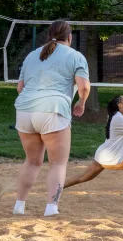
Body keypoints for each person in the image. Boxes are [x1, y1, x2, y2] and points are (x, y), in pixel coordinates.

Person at [12, 19, 90, 217]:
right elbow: (84, 87)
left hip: (24, 110)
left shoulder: (31, 55)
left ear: (49, 35)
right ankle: (51, 207)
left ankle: (19, 206)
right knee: (57, 163)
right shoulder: (75, 56)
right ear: (70, 37)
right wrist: (81, 102)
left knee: (31, 161)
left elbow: (20, 88)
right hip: (52, 109)